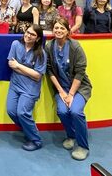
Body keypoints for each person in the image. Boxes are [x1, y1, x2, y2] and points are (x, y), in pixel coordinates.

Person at [45, 17, 92, 161]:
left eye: (62, 28)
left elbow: (80, 71)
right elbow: (49, 71)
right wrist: (61, 91)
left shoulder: (75, 46)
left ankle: (83, 146)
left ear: (67, 31)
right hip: (62, 88)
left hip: (79, 87)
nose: (58, 31)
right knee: (62, 111)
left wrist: (71, 94)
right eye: (56, 28)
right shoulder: (48, 46)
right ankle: (71, 136)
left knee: (76, 112)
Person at [6, 24, 46, 151]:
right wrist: (25, 70)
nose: (28, 35)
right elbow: (10, 64)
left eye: (32, 34)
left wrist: (19, 66)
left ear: (38, 38)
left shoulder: (41, 53)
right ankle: (28, 130)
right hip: (15, 85)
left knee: (22, 112)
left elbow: (37, 76)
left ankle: (36, 140)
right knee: (11, 111)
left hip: (30, 88)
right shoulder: (15, 45)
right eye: (27, 32)